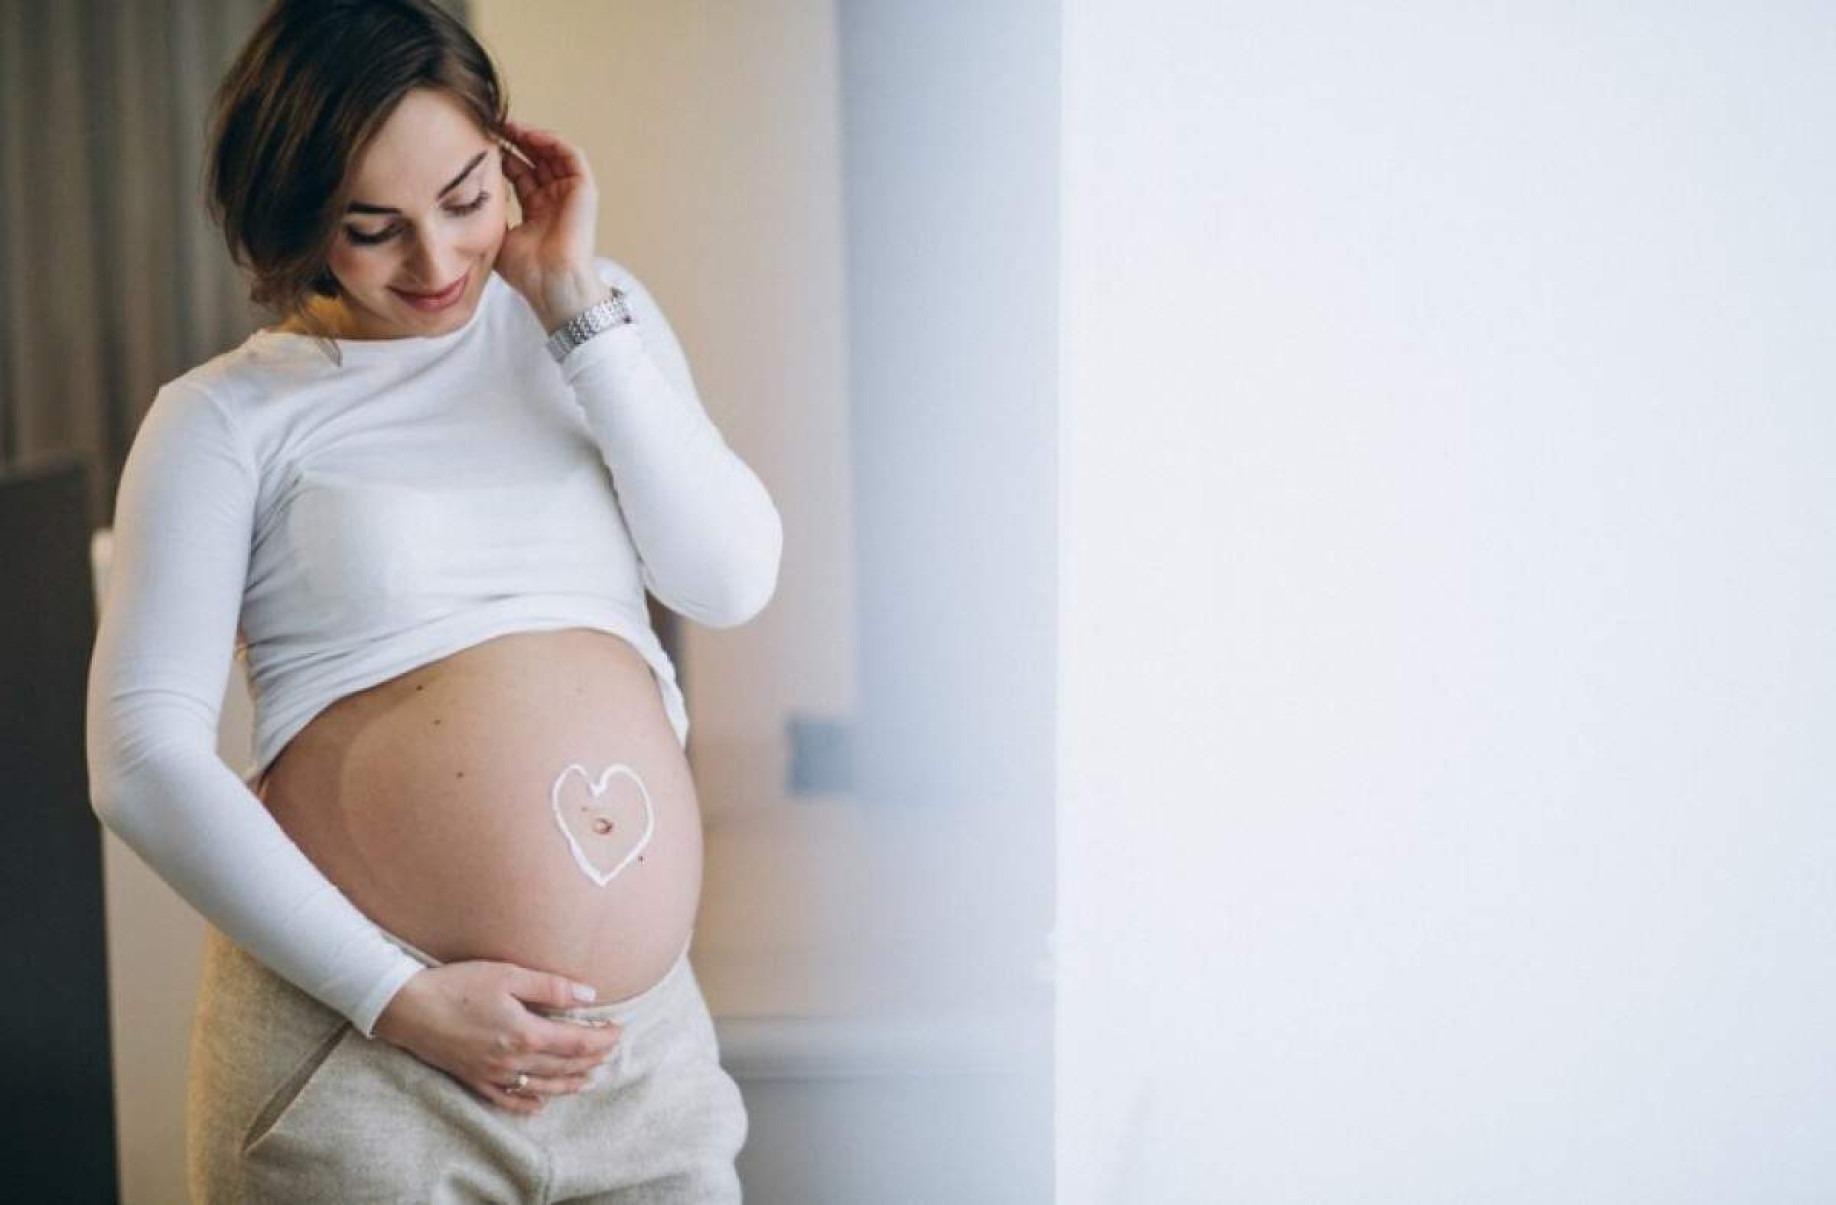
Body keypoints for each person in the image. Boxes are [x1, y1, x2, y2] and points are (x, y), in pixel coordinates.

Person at [84, 0, 779, 1199]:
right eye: (374, 229)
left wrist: (570, 300)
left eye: (466, 197)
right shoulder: (225, 418)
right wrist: (396, 996)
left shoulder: (592, 318)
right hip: (363, 1067)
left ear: (510, 157)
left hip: (640, 1062)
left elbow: (726, 578)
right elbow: (140, 756)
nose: (439, 261)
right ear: (300, 223)